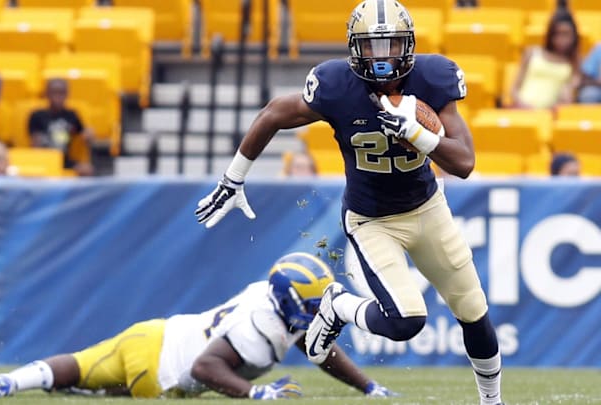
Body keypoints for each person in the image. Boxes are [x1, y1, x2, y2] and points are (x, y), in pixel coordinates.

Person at [194, 1, 505, 404]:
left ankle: (492, 401)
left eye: (390, 45)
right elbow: (273, 113)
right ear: (354, 48)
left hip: (427, 208)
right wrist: (233, 178)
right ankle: (339, 305)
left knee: (474, 313)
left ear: (408, 44)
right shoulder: (336, 84)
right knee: (407, 321)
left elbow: (464, 163)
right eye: (370, 46)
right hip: (372, 219)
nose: (381, 58)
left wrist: (420, 136)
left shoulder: (432, 77)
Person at [0, 252, 396, 399]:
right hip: (162, 372)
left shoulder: (272, 300)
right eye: (313, 304)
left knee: (77, 368)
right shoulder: (261, 324)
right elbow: (205, 369)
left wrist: (368, 387)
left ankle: (8, 382)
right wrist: (254, 392)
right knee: (94, 387)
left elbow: (319, 349)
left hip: (155, 333)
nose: (319, 313)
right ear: (291, 300)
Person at [509, 9, 580, 109]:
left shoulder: (574, 62)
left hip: (551, 114)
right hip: (522, 110)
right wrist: (522, 104)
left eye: (566, 34)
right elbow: (513, 89)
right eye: (557, 34)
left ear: (574, 36)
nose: (561, 40)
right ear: (550, 35)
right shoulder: (532, 52)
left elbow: (571, 91)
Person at [28, 78, 95, 177]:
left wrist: (89, 133)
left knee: (87, 170)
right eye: (54, 92)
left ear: (67, 95)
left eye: (61, 93)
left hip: (64, 160)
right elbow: (35, 143)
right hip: (43, 160)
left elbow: (84, 133)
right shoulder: (37, 115)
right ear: (47, 94)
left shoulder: (72, 115)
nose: (58, 96)